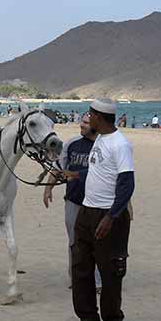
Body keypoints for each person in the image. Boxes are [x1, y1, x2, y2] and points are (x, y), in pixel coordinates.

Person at [64, 99, 134, 321]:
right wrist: (75, 175)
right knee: (80, 266)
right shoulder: (101, 139)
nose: (87, 118)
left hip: (108, 214)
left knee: (110, 269)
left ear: (99, 118)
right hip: (87, 210)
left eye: (90, 114)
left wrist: (111, 217)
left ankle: (113, 320)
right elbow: (99, 170)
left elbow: (127, 184)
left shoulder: (120, 144)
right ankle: (88, 318)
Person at [44, 113, 101, 291]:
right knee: (74, 241)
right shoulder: (72, 144)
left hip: (98, 203)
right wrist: (48, 188)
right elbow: (58, 167)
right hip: (74, 200)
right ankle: (76, 278)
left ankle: (97, 280)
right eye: (81, 121)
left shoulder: (104, 145)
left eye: (85, 122)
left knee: (97, 242)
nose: (81, 125)